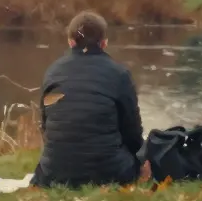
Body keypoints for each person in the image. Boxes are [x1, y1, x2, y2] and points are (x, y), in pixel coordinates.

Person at [32, 11, 146, 189]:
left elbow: (46, 126)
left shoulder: (52, 72)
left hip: (53, 173)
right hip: (110, 172)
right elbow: (132, 133)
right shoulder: (119, 74)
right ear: (104, 43)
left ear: (70, 42)